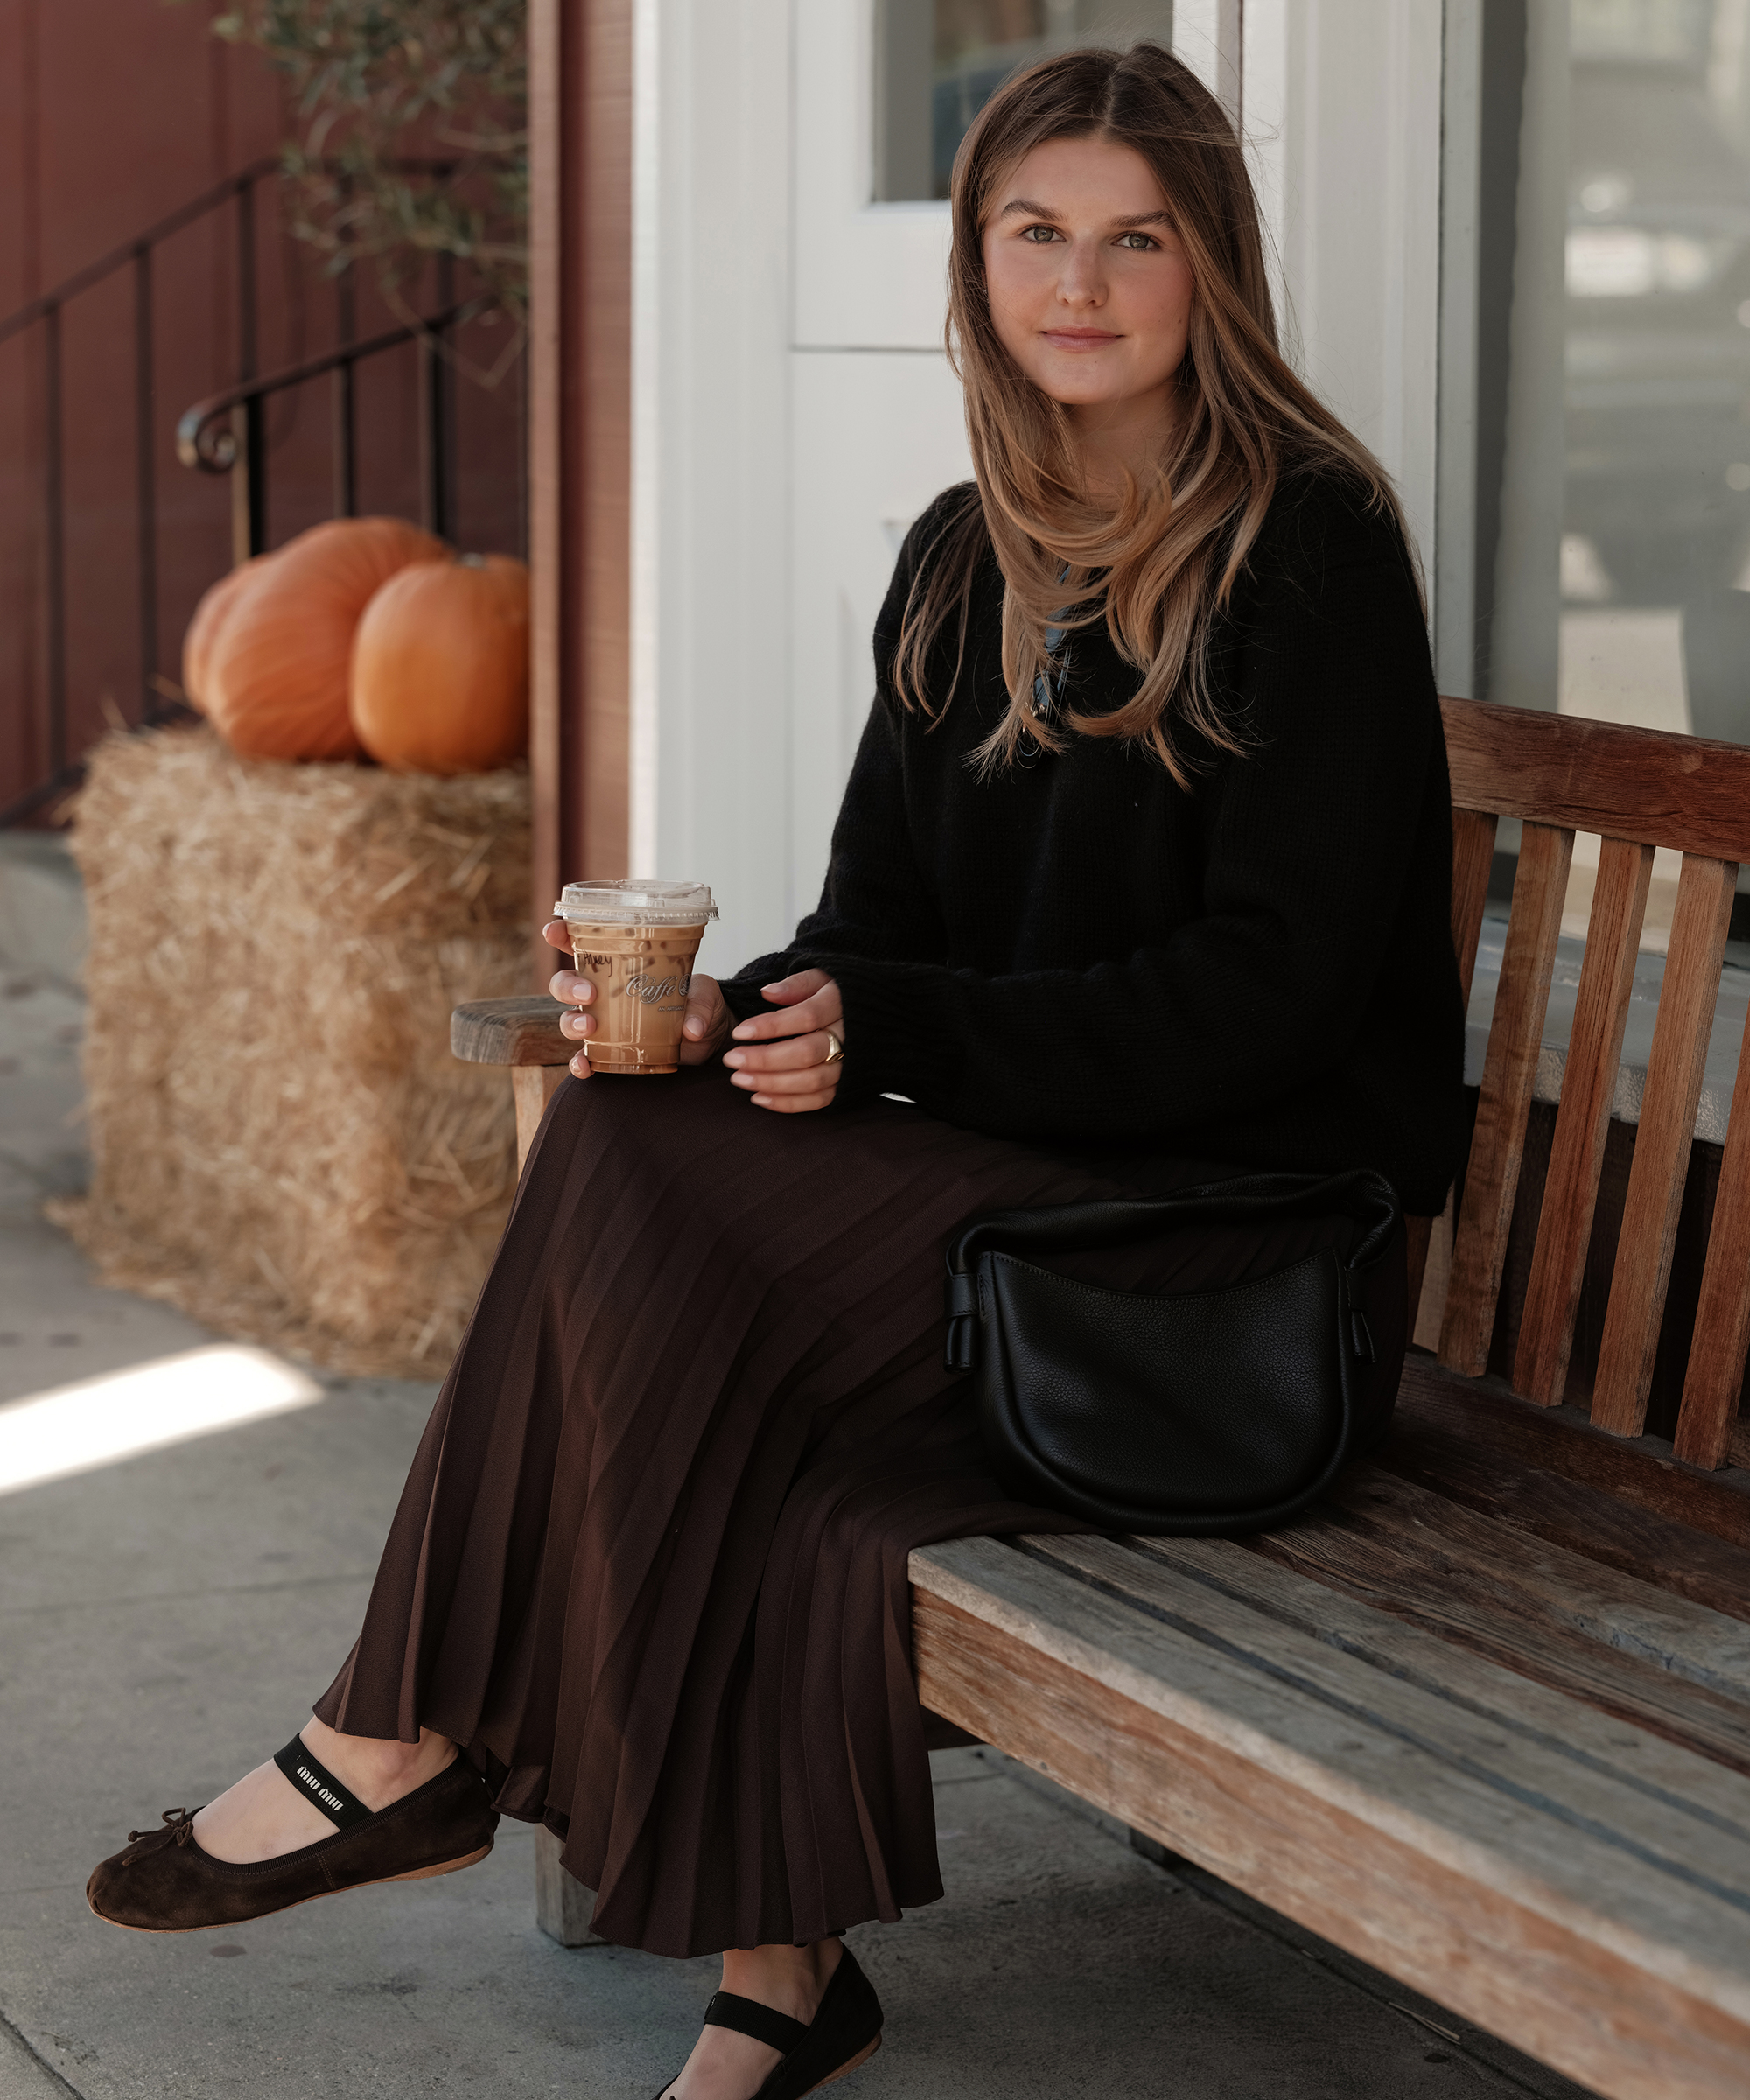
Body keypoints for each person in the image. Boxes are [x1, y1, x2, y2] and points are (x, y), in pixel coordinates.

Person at [88, 41, 1464, 2100]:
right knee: (655, 1178)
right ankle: (771, 1973)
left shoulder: (1308, 549)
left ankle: (398, 1741)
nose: (1077, 284)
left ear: (1211, 268)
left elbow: (1266, 1004)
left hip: (1233, 1253)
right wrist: (733, 1013)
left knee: (663, 1261)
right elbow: (871, 927)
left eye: (1134, 241)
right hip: (1029, 1197)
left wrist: (892, 1034)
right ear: (975, 260)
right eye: (1034, 232)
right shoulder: (960, 557)